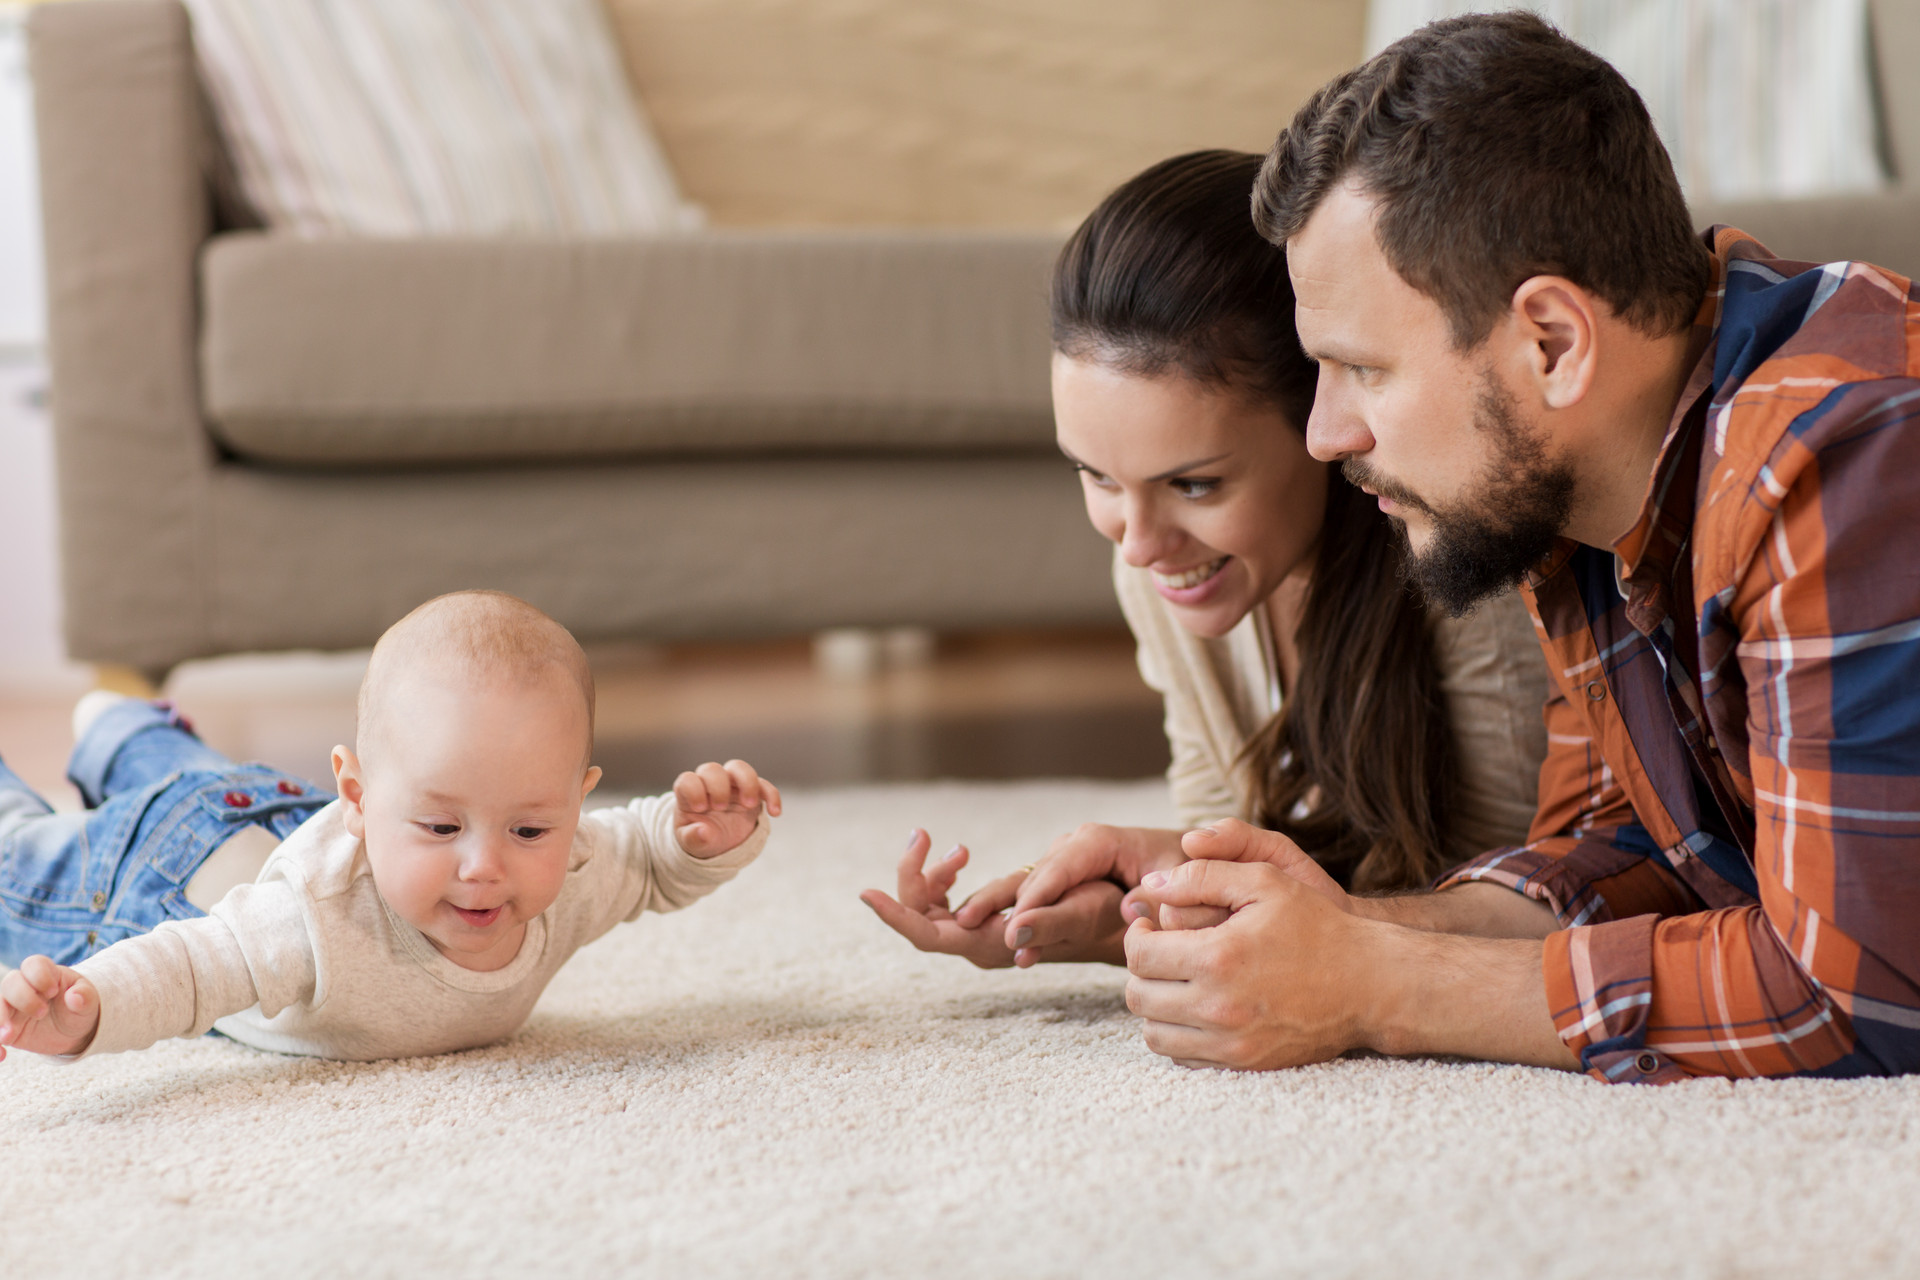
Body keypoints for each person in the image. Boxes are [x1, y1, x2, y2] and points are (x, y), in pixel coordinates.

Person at [1119, 11, 1920, 1082]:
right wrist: (1334, 926)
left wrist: (1377, 986)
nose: (1324, 433)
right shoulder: (1580, 497)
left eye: (1362, 369)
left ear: (1551, 342)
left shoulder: (1845, 451)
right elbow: (1632, 856)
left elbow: (1858, 992)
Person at [862, 150, 1549, 968]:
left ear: (1323, 420)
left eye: (1192, 484)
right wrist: (1116, 912)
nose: (1139, 543)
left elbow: (1522, 904)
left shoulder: (1467, 567)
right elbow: (1249, 848)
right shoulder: (1166, 569)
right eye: (1098, 477)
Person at [0, 590, 779, 1062]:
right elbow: (191, 969)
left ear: (576, 805)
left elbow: (644, 858)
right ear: (360, 797)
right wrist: (87, 1011)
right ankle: (121, 743)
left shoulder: (573, 868)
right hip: (166, 875)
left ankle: (125, 734)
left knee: (204, 780)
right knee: (20, 858)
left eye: (530, 831)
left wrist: (699, 839)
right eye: (441, 827)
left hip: (261, 811)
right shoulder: (310, 921)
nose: (484, 867)